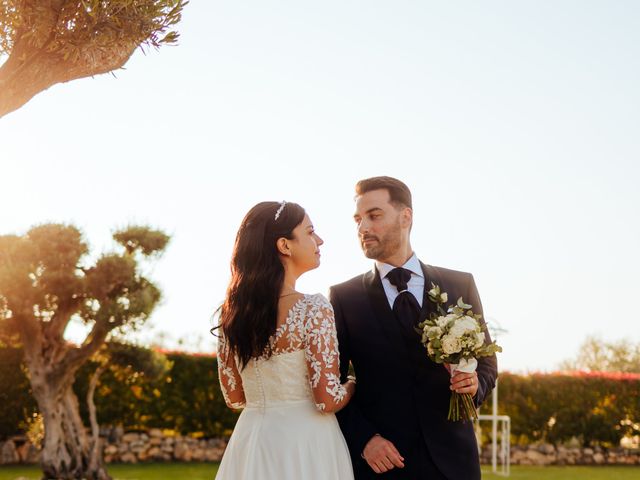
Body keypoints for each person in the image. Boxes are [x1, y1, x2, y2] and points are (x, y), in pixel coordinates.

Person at [329, 176, 498, 479]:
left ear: (406, 216)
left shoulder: (460, 285)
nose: (363, 228)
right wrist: (365, 440)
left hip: (454, 463)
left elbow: (486, 363)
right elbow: (332, 384)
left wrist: (475, 385)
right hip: (384, 464)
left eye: (374, 215)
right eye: (358, 219)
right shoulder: (344, 298)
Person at [215, 200, 356, 480]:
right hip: (305, 443)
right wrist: (352, 383)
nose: (320, 240)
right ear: (285, 245)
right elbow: (327, 400)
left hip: (252, 440)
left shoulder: (231, 313)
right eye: (310, 232)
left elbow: (234, 397)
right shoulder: (313, 308)